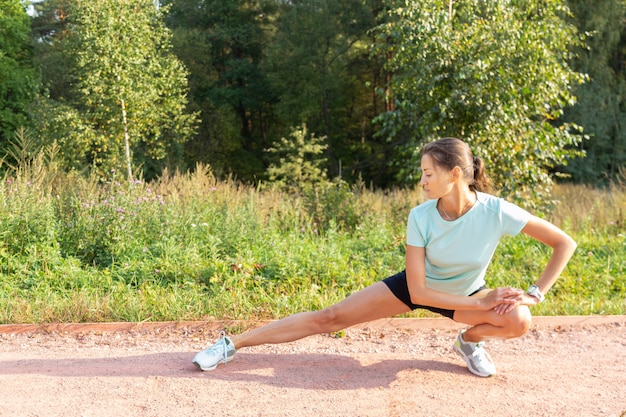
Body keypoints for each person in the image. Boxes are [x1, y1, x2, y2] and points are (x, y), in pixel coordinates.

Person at [192, 137, 577, 377]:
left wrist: (535, 292)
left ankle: (469, 342)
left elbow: (564, 244)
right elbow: (420, 290)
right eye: (421, 174)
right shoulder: (421, 215)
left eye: (428, 174)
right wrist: (480, 301)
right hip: (418, 288)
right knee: (330, 317)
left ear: (455, 174)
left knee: (519, 321)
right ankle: (231, 345)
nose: (422, 181)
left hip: (465, 295)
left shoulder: (497, 211)